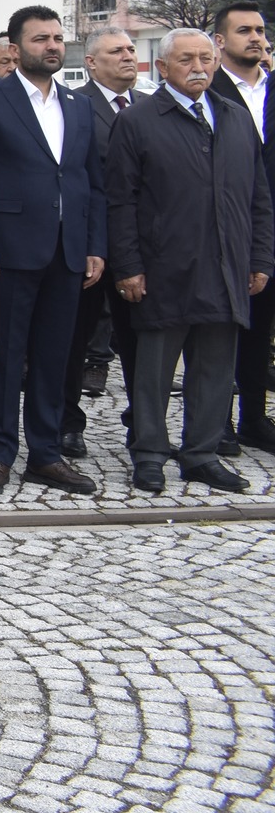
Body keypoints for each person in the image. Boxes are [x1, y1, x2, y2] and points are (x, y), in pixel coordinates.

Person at [108, 28, 271, 495]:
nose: (199, 67)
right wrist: (128, 265)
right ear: (162, 68)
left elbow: (258, 197)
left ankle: (201, 454)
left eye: (206, 58)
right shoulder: (138, 120)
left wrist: (260, 256)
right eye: (187, 60)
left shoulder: (236, 119)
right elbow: (120, 200)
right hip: (164, 268)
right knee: (155, 370)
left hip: (227, 266)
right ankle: (150, 453)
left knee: (216, 368)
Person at [0, 7, 104, 498]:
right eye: (41, 38)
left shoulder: (78, 105)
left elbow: (90, 181)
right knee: (4, 357)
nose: (52, 46)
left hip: (68, 252)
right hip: (11, 251)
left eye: (58, 38)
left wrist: (94, 245)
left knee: (55, 356)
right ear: (16, 48)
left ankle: (45, 454)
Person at [62, 25, 142, 459]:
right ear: (91, 62)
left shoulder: (149, 107)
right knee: (74, 341)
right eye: (117, 51)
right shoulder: (74, 106)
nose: (129, 56)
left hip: (139, 250)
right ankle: (67, 423)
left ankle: (142, 422)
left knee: (137, 341)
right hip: (88, 244)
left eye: (131, 48)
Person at [206, 0, 275, 454]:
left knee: (262, 327)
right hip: (225, 229)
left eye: (260, 30)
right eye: (244, 30)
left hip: (270, 229)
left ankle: (254, 416)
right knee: (222, 331)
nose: (256, 37)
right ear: (221, 40)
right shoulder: (207, 92)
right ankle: (217, 423)